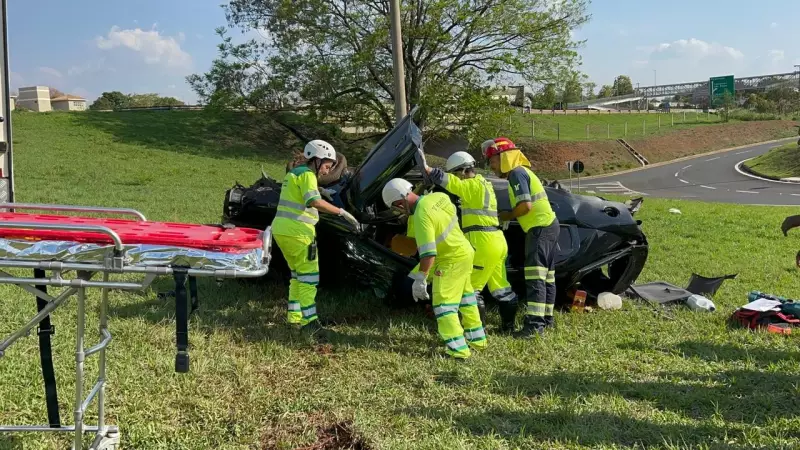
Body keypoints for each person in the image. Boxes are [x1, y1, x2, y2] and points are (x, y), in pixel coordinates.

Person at [381, 178, 487, 359]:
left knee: (444, 306)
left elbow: (428, 253)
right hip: (464, 252)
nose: (398, 211)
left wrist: (422, 278)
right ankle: (478, 340)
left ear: (400, 201)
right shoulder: (438, 197)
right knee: (466, 299)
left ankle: (458, 351)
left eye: (396, 208)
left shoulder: (421, 215)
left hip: (449, 260)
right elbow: (417, 241)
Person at [272, 140, 361, 338]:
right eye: (327, 166)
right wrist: (341, 212)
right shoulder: (307, 174)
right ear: (317, 160)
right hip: (298, 232)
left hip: (282, 229)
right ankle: (310, 322)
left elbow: (301, 195)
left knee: (297, 275)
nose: (327, 172)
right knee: (309, 278)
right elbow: (312, 201)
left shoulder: (295, 173)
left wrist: (321, 191)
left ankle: (294, 317)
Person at [423, 152, 519, 334]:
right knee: (501, 288)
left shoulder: (471, 186)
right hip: (497, 241)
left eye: (455, 173)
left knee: (470, 290)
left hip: (482, 242)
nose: (455, 177)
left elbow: (449, 183)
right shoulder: (484, 183)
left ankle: (476, 332)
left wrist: (428, 169)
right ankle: (508, 328)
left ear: (463, 171)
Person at [482, 137, 559, 338]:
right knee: (547, 277)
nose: (491, 167)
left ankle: (534, 326)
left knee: (535, 277)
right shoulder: (522, 173)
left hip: (540, 228)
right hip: (548, 226)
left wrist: (505, 216)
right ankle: (546, 320)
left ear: (504, 157)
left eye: (493, 161)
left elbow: (525, 206)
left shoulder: (517, 174)